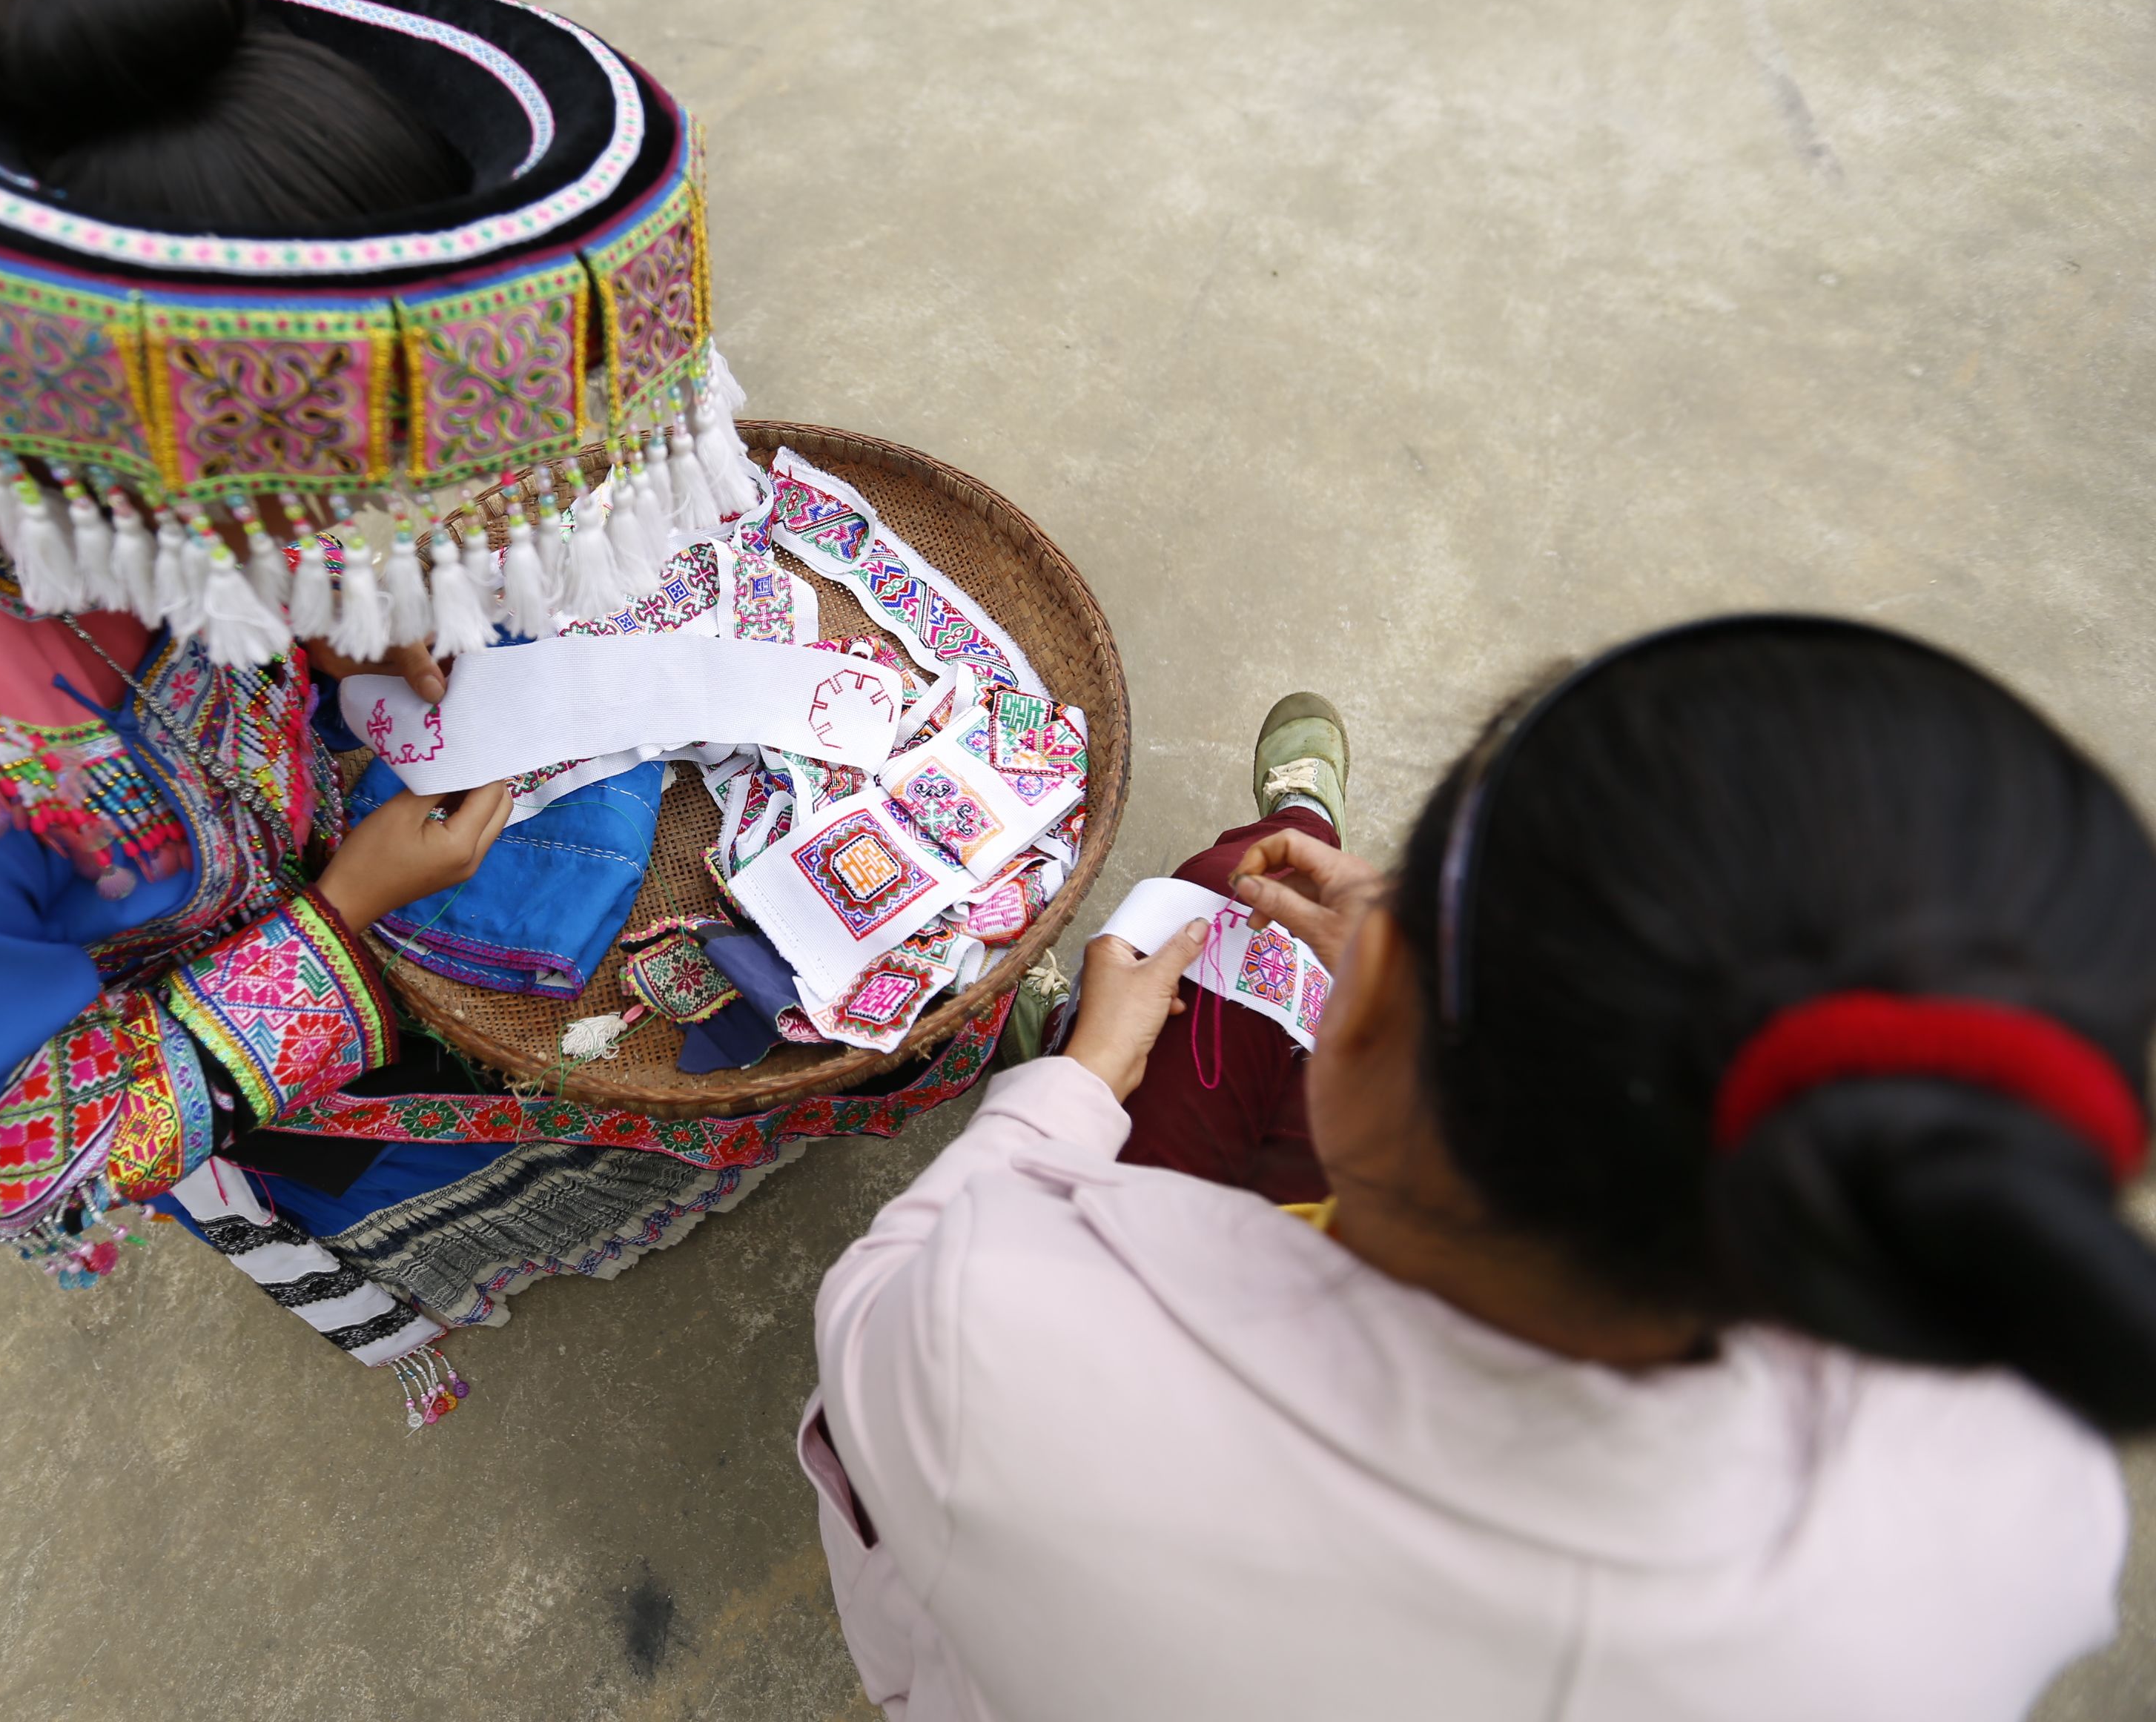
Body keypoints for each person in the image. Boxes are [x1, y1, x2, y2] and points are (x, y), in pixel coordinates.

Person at [0, 0, 1014, 1411]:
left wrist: (333, 613)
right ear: (171, 496)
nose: (407, 553)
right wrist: (344, 921)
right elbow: (6, 1154)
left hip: (287, 803)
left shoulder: (38, 395)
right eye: (359, 515)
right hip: (225, 982)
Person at [803, 615, 2156, 1718]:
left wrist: (1081, 1080)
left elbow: (889, 1287)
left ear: (1377, 1011)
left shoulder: (994, 1332)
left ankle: (1136, 965)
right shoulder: (2020, 1515)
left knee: (1218, 907)